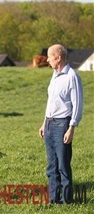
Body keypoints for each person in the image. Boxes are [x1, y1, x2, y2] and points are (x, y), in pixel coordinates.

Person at [39, 44, 84, 204]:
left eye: (50, 57)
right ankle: (53, 199)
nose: (48, 60)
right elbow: (51, 101)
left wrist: (71, 128)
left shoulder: (72, 76)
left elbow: (77, 104)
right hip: (50, 124)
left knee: (63, 166)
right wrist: (44, 123)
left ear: (58, 58)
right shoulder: (54, 75)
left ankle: (67, 200)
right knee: (51, 166)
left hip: (62, 125)